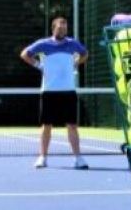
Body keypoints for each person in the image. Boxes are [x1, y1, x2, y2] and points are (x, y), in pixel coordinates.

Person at [20, 16, 89, 169]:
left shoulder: (73, 43)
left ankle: (78, 158)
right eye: (59, 28)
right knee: (47, 126)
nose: (62, 30)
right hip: (49, 91)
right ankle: (42, 158)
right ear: (53, 28)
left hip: (69, 91)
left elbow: (85, 54)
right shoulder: (43, 44)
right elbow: (25, 54)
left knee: (72, 126)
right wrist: (39, 65)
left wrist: (76, 63)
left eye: (64, 28)